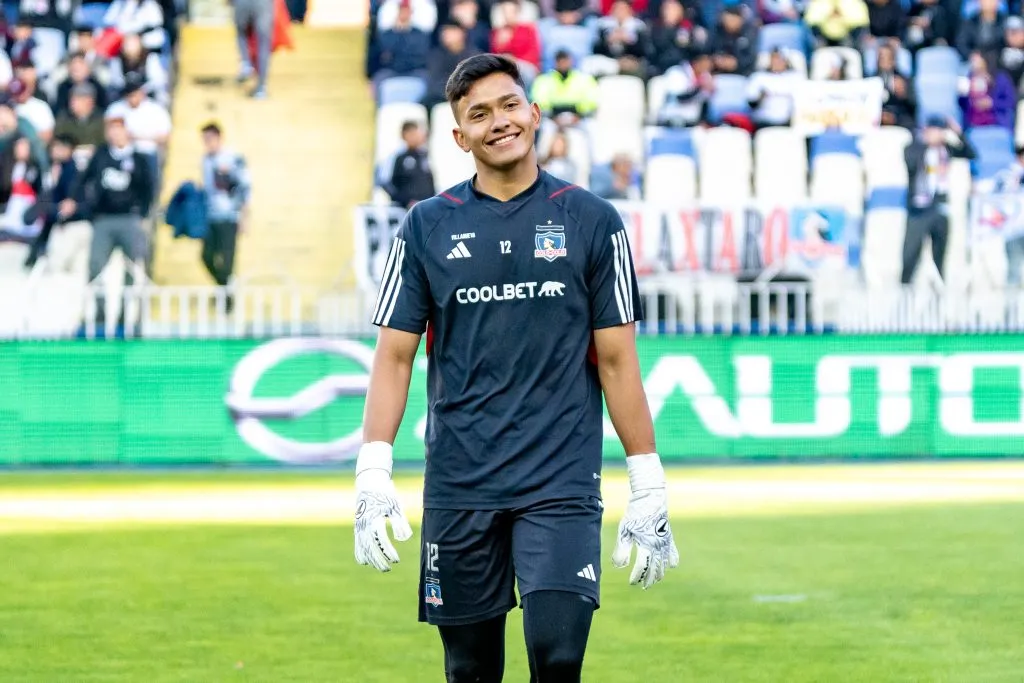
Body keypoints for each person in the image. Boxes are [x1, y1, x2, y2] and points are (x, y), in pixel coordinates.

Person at [354, 54, 679, 683]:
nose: (498, 122)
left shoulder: (591, 220)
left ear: (533, 113)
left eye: (508, 105)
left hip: (559, 482)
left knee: (557, 659)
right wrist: (373, 470)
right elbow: (395, 356)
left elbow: (617, 361)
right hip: (460, 483)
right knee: (469, 670)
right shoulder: (425, 226)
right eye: (478, 114)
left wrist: (648, 481)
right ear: (459, 137)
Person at [902, 115, 976, 284]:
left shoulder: (947, 149)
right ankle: (904, 292)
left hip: (940, 206)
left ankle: (939, 295)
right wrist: (927, 143)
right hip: (919, 208)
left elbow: (970, 153)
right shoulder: (916, 148)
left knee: (941, 255)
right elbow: (910, 161)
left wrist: (958, 133)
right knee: (910, 254)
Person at [200, 122, 250, 290]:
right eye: (205, 139)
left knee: (227, 259)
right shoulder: (205, 160)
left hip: (229, 216)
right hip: (211, 216)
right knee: (206, 256)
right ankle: (224, 287)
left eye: (210, 138)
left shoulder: (233, 158)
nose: (208, 143)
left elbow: (244, 188)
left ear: (219, 137)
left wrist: (245, 217)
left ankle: (226, 300)